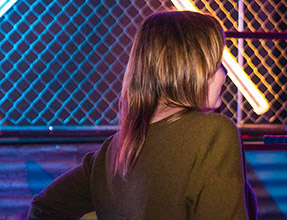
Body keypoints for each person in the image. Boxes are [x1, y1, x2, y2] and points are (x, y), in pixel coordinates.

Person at [27, 11, 257, 219]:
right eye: (217, 63)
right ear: (191, 69)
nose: (224, 74)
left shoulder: (113, 152)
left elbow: (44, 209)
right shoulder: (214, 134)